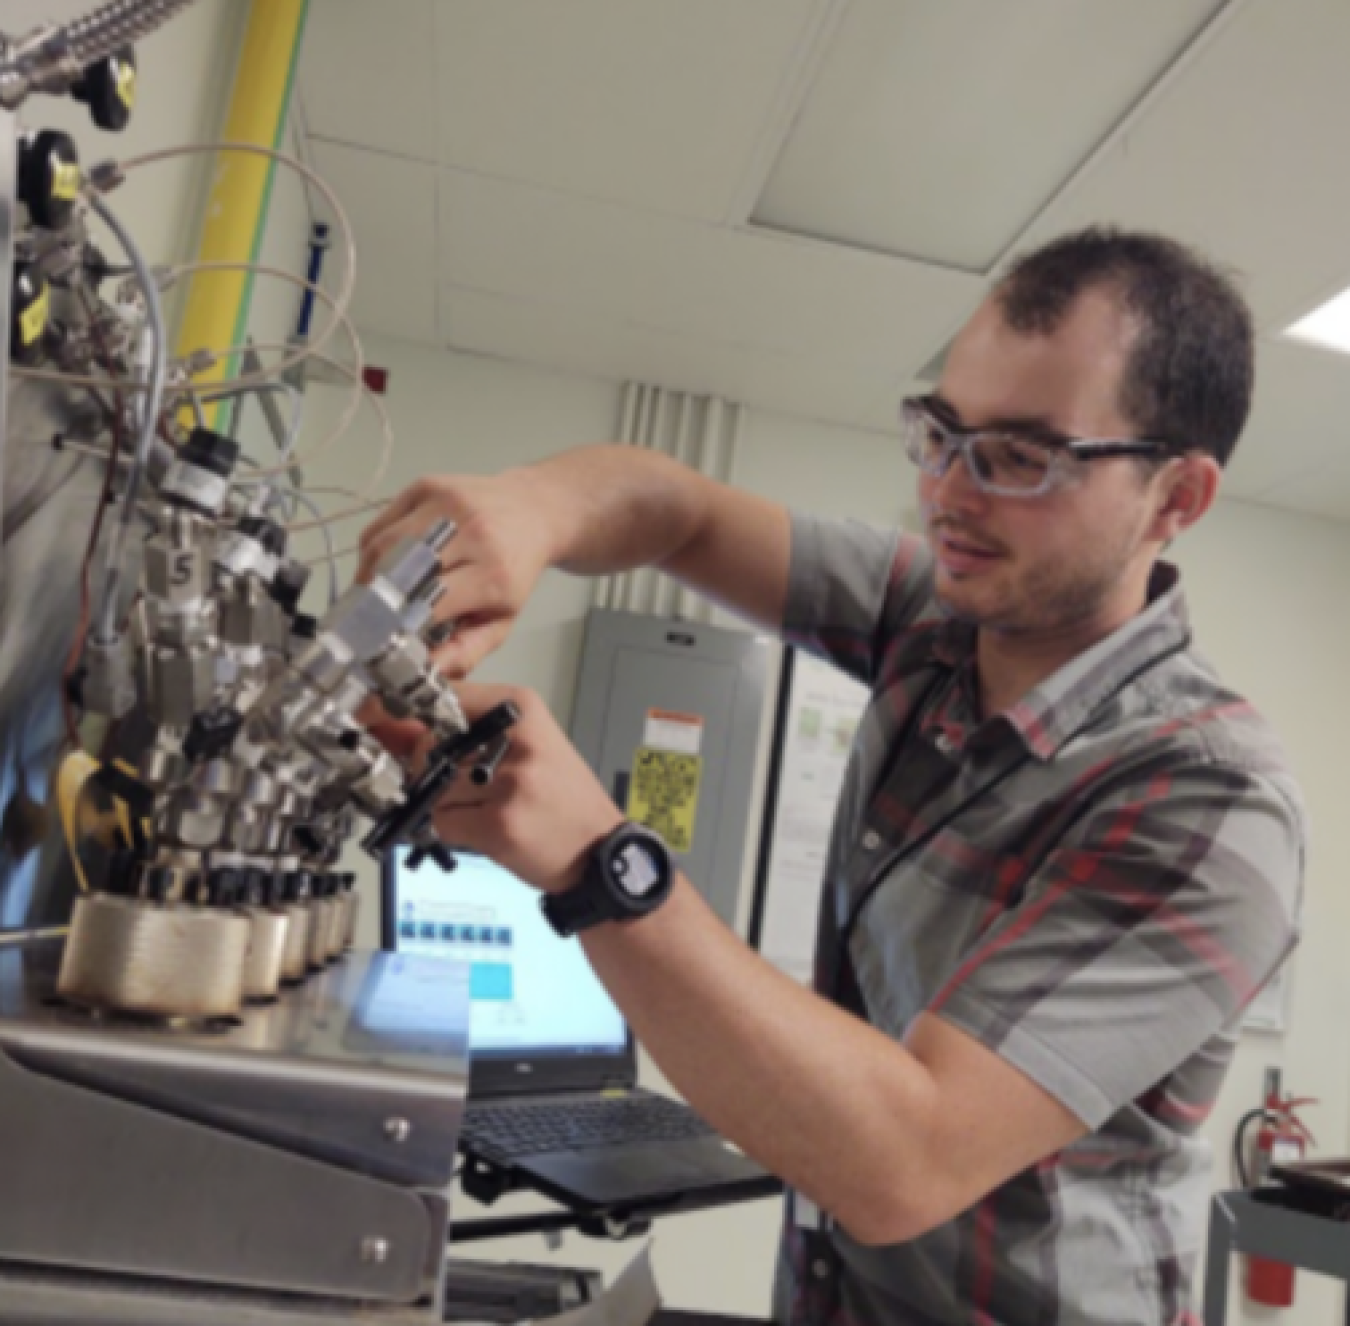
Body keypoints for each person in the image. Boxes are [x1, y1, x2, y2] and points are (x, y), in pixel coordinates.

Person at [359, 228, 1305, 1326]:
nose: (948, 493)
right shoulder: (937, 620)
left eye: (1021, 457)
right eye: (940, 433)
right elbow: (680, 508)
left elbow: (901, 1160)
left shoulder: (1210, 799)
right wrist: (533, 509)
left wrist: (601, 863)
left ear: (1177, 496)